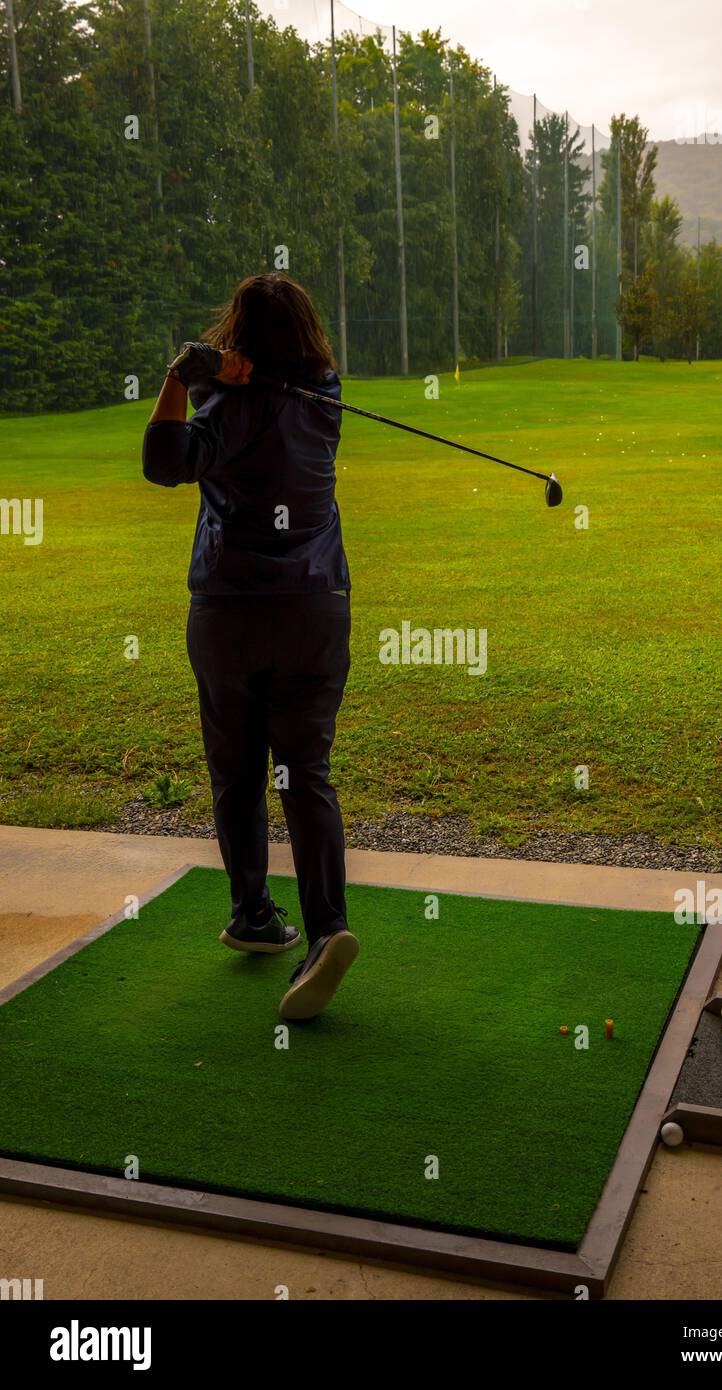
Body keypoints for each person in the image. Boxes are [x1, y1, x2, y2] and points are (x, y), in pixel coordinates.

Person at [141, 272, 358, 1020]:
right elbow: (290, 387)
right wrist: (231, 376)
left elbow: (163, 461)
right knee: (306, 773)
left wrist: (184, 371)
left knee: (237, 772)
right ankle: (326, 926)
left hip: (230, 615)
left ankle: (254, 914)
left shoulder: (224, 406)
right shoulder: (325, 399)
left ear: (238, 336)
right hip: (315, 608)